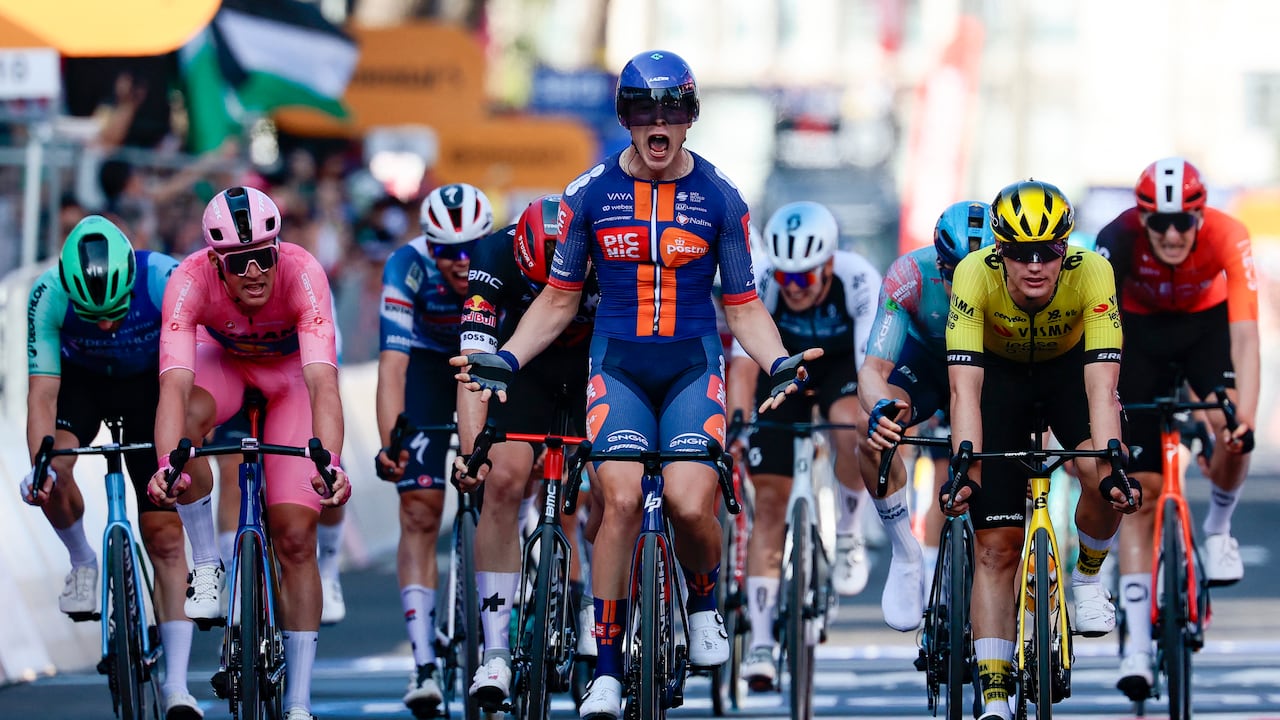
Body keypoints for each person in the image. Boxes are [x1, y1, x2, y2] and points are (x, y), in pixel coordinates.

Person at [452, 49, 819, 720]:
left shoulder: (720, 197)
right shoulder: (589, 193)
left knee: (687, 504)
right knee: (617, 500)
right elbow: (559, 301)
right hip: (615, 363)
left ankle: (704, 594)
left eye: (672, 109)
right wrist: (505, 357)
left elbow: (742, 308)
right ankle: (609, 670)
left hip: (689, 365)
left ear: (690, 118)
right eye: (643, 109)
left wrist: (780, 361)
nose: (658, 122)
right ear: (624, 117)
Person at [145, 186, 351, 720]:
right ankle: (208, 564)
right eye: (240, 264)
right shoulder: (188, 280)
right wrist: (168, 464)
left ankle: (300, 700)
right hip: (225, 365)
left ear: (278, 249)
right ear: (217, 262)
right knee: (186, 425)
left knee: (295, 535)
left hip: (291, 380)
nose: (255, 272)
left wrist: (330, 464)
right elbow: (172, 387)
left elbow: (323, 384)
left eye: (264, 256)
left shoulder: (304, 273)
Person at [943, 180, 1139, 720]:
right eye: (1020, 253)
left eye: (1049, 251)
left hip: (1067, 374)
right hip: (1000, 378)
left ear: (1065, 248)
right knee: (995, 548)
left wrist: (1113, 460)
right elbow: (965, 389)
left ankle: (1090, 573)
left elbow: (1101, 389)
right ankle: (996, 692)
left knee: (1102, 471)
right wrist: (964, 461)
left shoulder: (1093, 271)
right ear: (998, 251)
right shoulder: (972, 275)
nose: (1035, 265)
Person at [23, 216, 205, 719]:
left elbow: (190, 372)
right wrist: (40, 463)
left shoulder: (163, 279)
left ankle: (176, 686)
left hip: (151, 384)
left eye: (115, 314)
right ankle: (83, 561)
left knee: (165, 537)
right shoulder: (48, 293)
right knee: (53, 467)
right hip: (81, 384)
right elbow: (42, 394)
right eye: (93, 316)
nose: (105, 326)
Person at [1095, 157, 1258, 699]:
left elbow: (1246, 339)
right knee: (1140, 496)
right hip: (1137, 336)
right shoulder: (1113, 239)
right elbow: (1094, 334)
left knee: (1230, 422)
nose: (1170, 234)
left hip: (1204, 330)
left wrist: (1245, 418)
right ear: (1140, 219)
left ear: (1199, 216)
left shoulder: (1229, 235)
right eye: (1157, 222)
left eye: (1182, 222)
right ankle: (1137, 646)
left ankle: (1217, 527)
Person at [452, 195, 600, 709]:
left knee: (608, 481)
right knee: (502, 479)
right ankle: (494, 651)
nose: (547, 294)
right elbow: (474, 365)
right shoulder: (493, 257)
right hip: (523, 368)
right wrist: (474, 455)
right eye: (535, 286)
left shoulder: (602, 249)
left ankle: (595, 606)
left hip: (592, 365)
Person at [726, 200, 880, 691]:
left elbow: (868, 363)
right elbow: (745, 361)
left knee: (850, 423)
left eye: (804, 279)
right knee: (769, 505)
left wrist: (870, 416)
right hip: (784, 373)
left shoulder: (856, 278)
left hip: (840, 370)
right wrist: (737, 423)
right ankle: (763, 642)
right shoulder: (767, 279)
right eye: (787, 278)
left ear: (829, 264)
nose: (793, 288)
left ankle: (851, 531)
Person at [373, 182, 494, 719]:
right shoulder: (406, 267)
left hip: (487, 359)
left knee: (501, 485)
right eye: (446, 251)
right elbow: (392, 366)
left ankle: (499, 635)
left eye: (469, 248)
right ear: (429, 246)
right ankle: (424, 661)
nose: (459, 262)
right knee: (419, 510)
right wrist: (389, 442)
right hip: (425, 365)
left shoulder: (504, 259)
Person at [858, 200, 995, 633]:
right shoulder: (910, 276)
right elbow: (874, 370)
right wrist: (882, 408)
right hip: (926, 365)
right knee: (875, 435)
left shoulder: (1021, 282)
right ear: (939, 262)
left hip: (988, 369)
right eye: (955, 274)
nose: (964, 286)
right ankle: (905, 550)